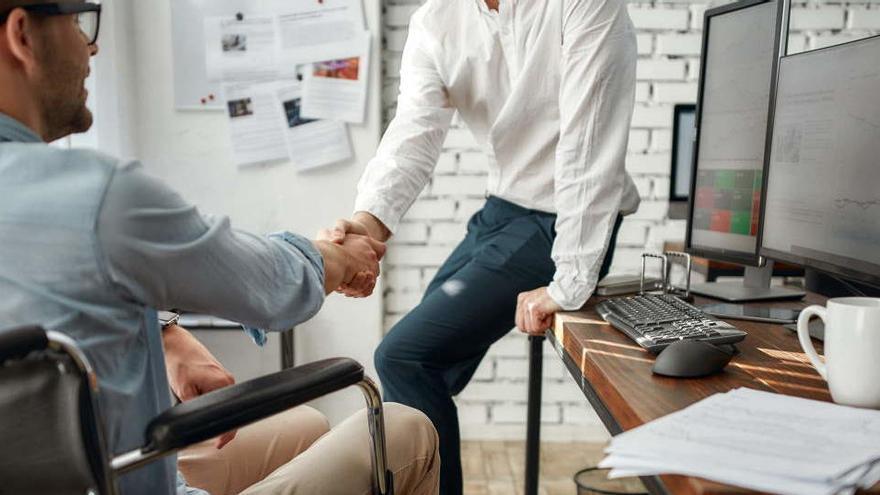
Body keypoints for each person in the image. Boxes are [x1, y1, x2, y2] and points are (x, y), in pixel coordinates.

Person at [0, 1, 439, 494]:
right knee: (405, 430)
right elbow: (273, 284)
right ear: (22, 34)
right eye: (79, 21)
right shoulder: (95, 198)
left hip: (80, 469)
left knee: (305, 426)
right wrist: (342, 255)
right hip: (122, 480)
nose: (91, 45)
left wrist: (165, 337)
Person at [319, 0, 640, 492]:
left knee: (404, 357)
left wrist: (570, 279)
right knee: (423, 372)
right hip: (501, 212)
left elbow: (588, 142)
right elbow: (414, 134)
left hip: (565, 220)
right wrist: (366, 227)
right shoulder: (437, 20)